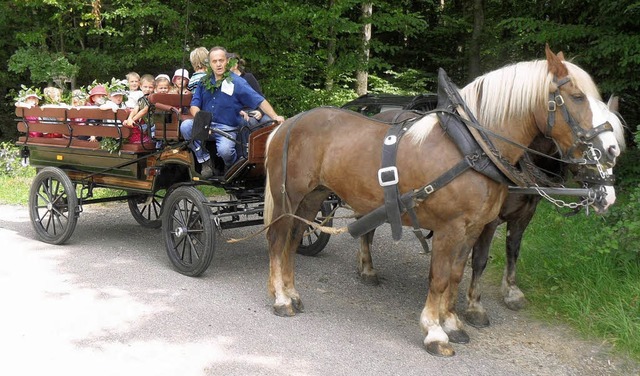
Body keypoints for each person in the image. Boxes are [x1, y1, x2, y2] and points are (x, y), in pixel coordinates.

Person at [179, 46, 285, 178]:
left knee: (226, 151)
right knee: (186, 126)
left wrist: (275, 116)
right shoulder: (203, 82)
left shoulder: (237, 82)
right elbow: (194, 106)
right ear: (209, 63)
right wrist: (203, 122)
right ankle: (205, 161)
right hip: (206, 126)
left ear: (227, 62)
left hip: (227, 128)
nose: (218, 64)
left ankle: (232, 168)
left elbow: (259, 100)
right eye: (214, 61)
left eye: (221, 60)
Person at [227, 52, 271, 128]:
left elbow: (260, 96)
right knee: (252, 123)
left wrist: (260, 112)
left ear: (236, 64)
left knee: (269, 122)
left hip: (254, 109)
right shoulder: (226, 81)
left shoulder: (248, 77)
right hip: (242, 112)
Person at [123, 74, 155, 143]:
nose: (147, 89)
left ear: (154, 88)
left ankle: (146, 141)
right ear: (141, 87)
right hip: (145, 123)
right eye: (145, 87)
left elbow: (144, 110)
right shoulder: (141, 99)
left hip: (152, 124)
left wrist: (133, 120)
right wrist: (129, 119)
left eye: (150, 87)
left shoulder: (152, 98)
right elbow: (135, 109)